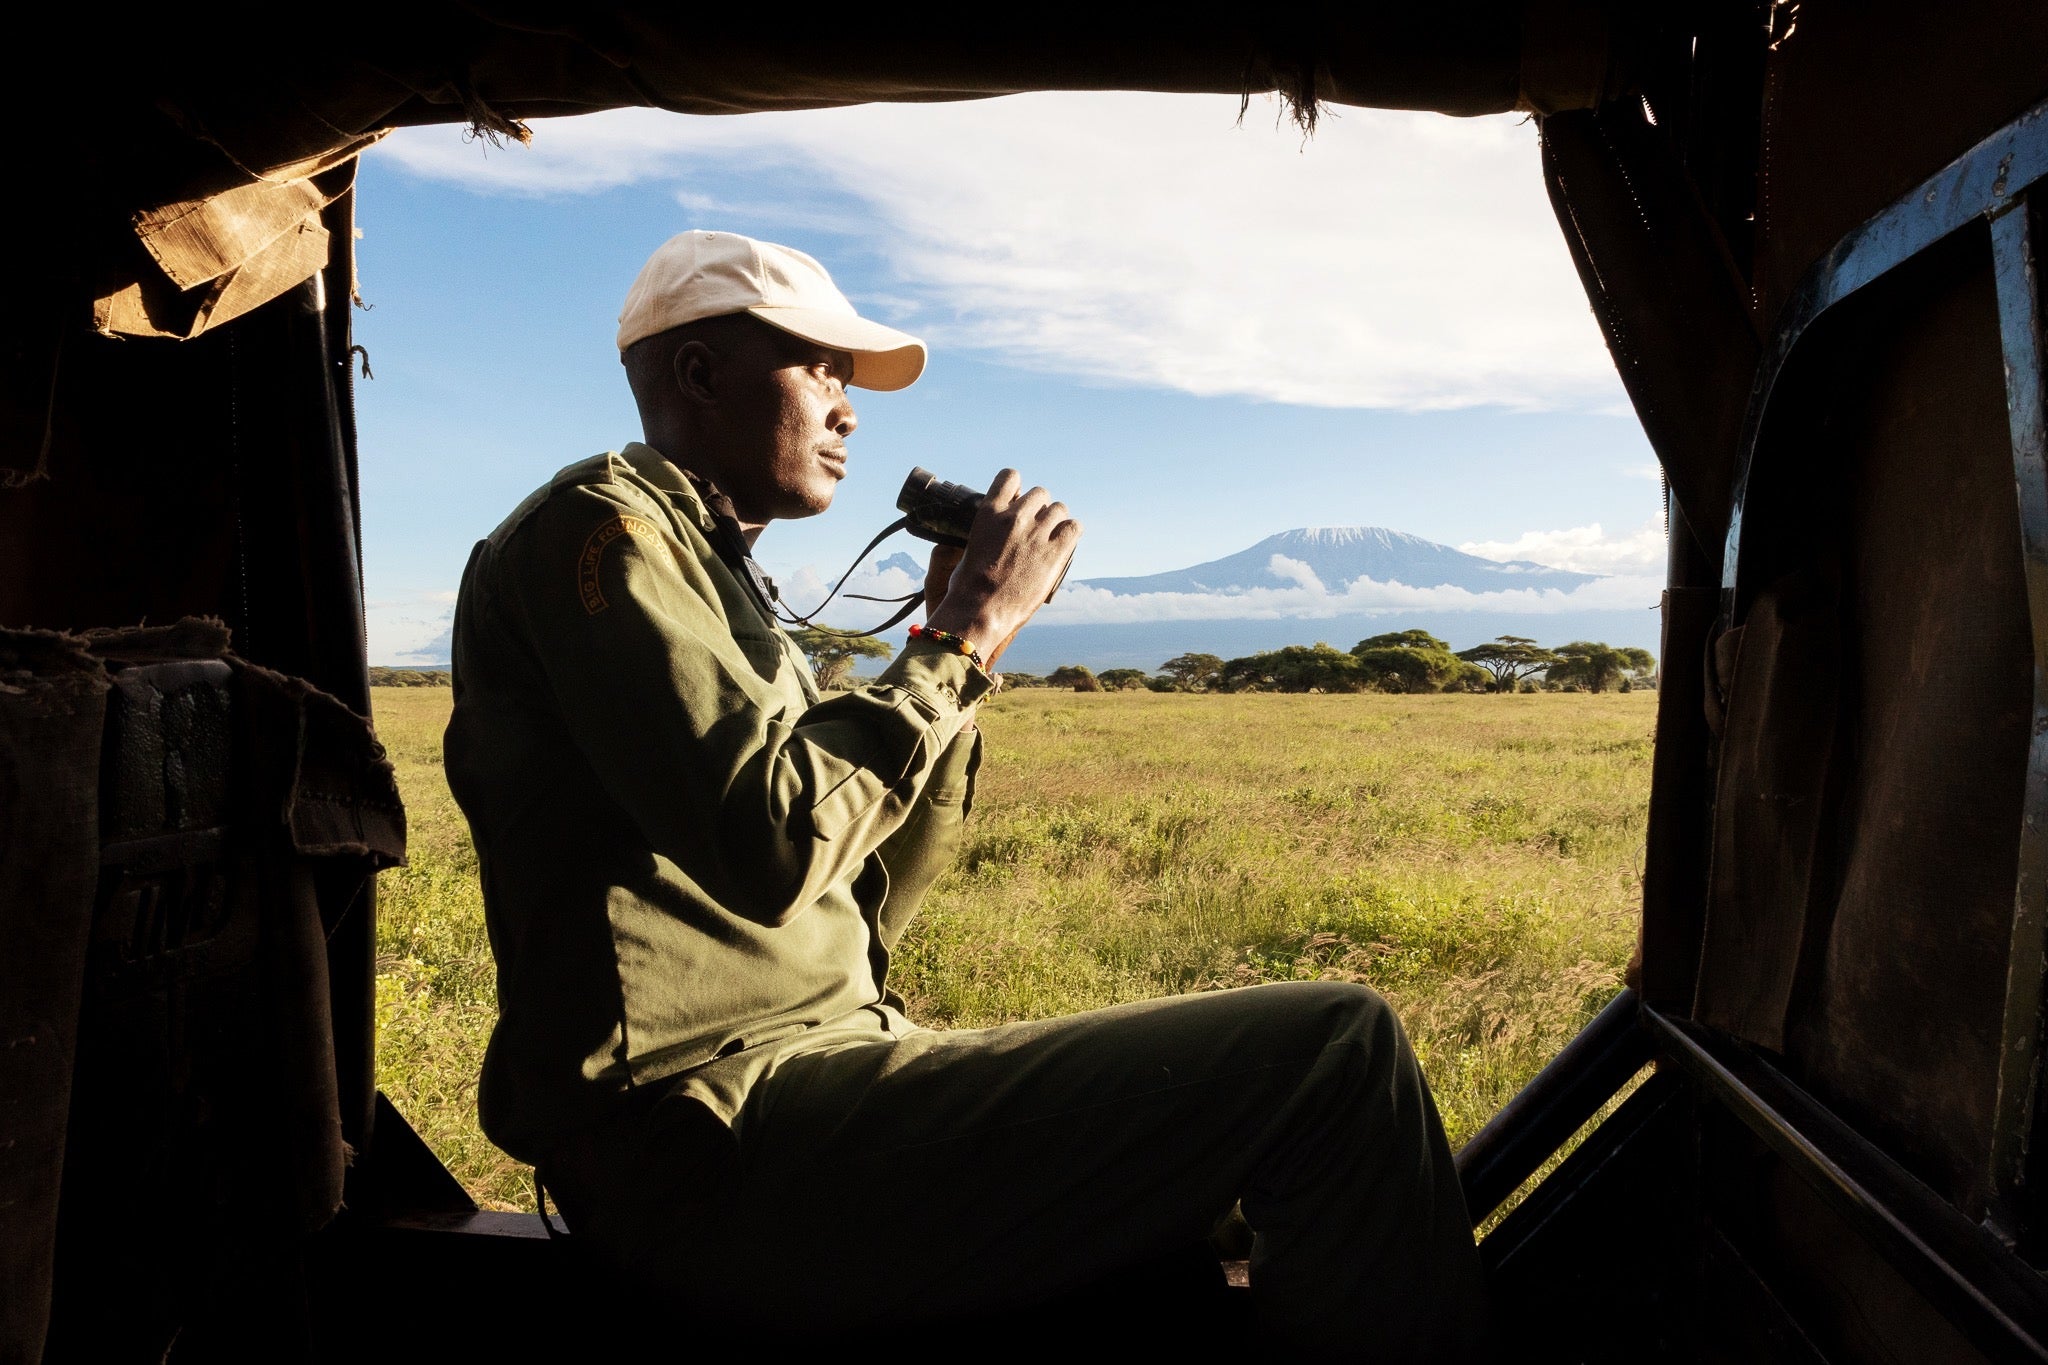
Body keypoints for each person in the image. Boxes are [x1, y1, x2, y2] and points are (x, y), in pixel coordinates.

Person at [444, 230, 1486, 1357]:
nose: (848, 411)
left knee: (1218, 1194)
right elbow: (775, 848)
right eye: (821, 370)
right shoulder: (605, 532)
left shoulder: (716, 570)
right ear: (699, 375)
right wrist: (953, 641)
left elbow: (865, 901)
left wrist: (961, 675)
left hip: (815, 1077)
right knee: (1336, 1051)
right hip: (713, 1136)